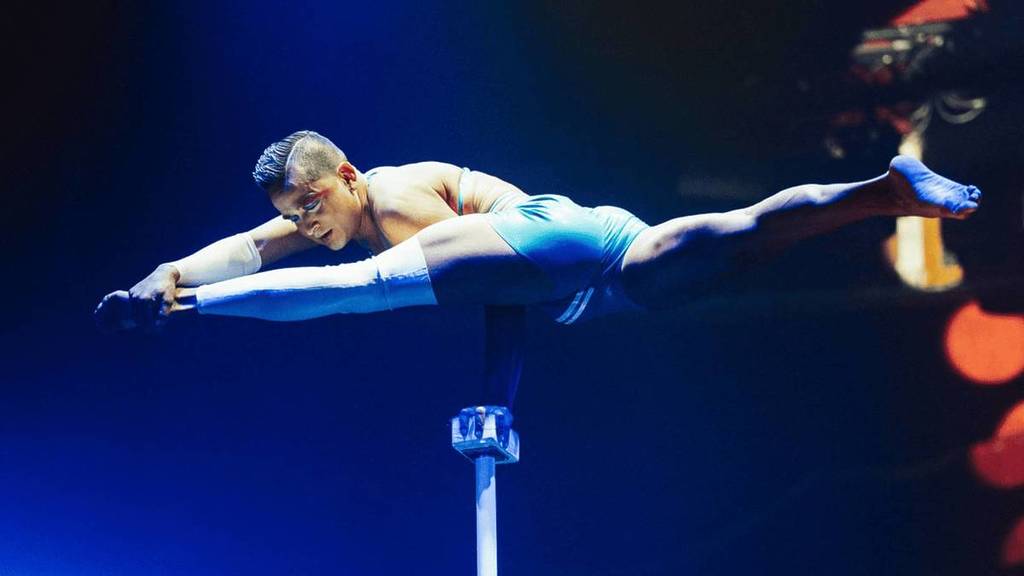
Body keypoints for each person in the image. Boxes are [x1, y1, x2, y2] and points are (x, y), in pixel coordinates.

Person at [94, 130, 981, 334]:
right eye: (295, 216)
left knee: (364, 291)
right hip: (600, 246)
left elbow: (465, 285)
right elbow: (253, 246)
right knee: (742, 236)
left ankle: (193, 314)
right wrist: (163, 271)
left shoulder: (395, 200)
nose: (306, 225)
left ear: (349, 178)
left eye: (313, 206)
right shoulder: (332, 216)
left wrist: (186, 301)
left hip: (542, 241)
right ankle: (880, 192)